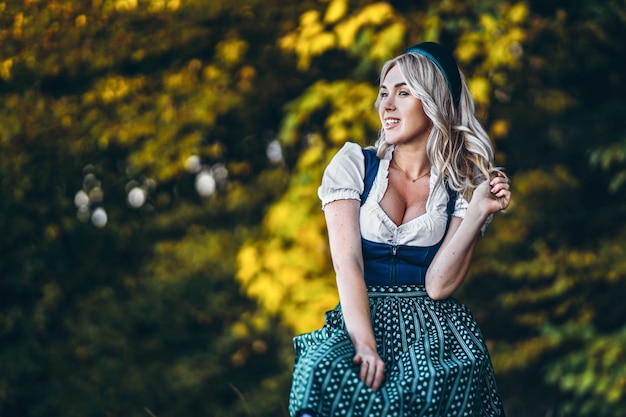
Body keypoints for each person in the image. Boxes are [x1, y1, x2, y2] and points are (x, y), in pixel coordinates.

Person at [289, 42, 511, 417]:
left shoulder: (460, 184)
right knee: (319, 371)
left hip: (432, 329)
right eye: (383, 92)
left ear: (433, 102)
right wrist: (364, 344)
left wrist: (477, 212)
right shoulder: (355, 166)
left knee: (432, 385)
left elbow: (438, 285)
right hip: (362, 315)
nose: (386, 105)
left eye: (403, 93)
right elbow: (348, 264)